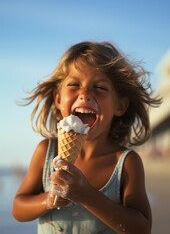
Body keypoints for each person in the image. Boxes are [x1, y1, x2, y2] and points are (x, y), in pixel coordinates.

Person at [12, 41, 161, 234]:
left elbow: (141, 228)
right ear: (58, 99)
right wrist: (48, 199)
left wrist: (86, 195)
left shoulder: (125, 163)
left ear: (120, 106)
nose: (85, 94)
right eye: (74, 84)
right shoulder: (46, 151)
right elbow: (18, 209)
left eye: (100, 88)